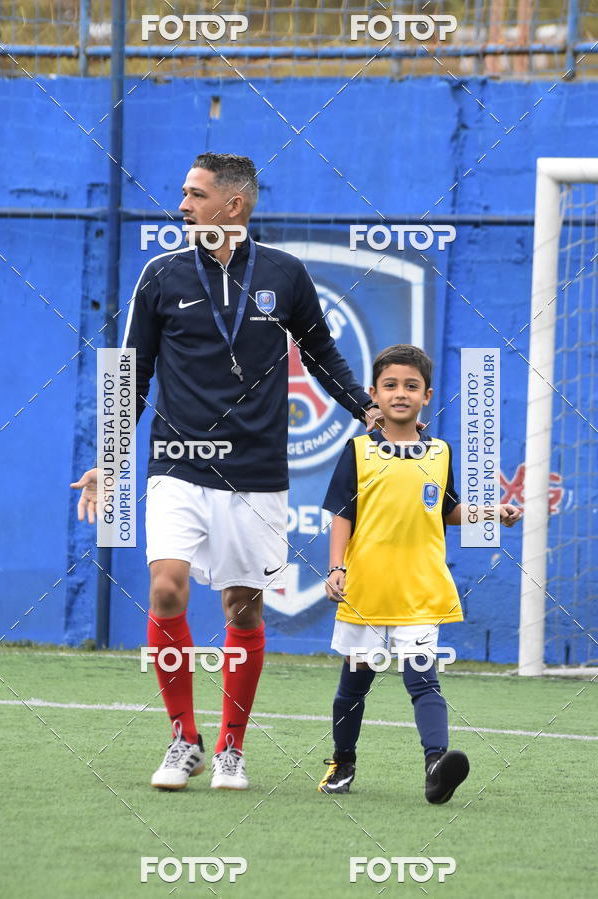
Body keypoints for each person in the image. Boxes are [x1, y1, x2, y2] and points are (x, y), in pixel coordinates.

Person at [71, 153, 382, 791]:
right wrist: (108, 461)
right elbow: (131, 374)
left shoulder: (285, 275)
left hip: (256, 472)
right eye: (183, 193)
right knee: (165, 589)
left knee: (242, 609)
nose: (182, 205)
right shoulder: (159, 276)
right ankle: (182, 737)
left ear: (232, 206)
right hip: (175, 466)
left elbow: (322, 354)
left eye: (194, 194)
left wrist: (365, 408)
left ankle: (230, 747)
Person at [318, 344, 522, 802]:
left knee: (423, 679)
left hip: (419, 588)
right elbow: (341, 514)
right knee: (355, 683)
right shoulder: (358, 451)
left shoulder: (440, 451)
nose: (401, 393)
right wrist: (337, 567)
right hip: (367, 587)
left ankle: (436, 766)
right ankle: (343, 762)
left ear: (427, 395)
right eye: (390, 385)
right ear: (374, 394)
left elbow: (446, 510)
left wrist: (491, 512)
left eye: (411, 385)